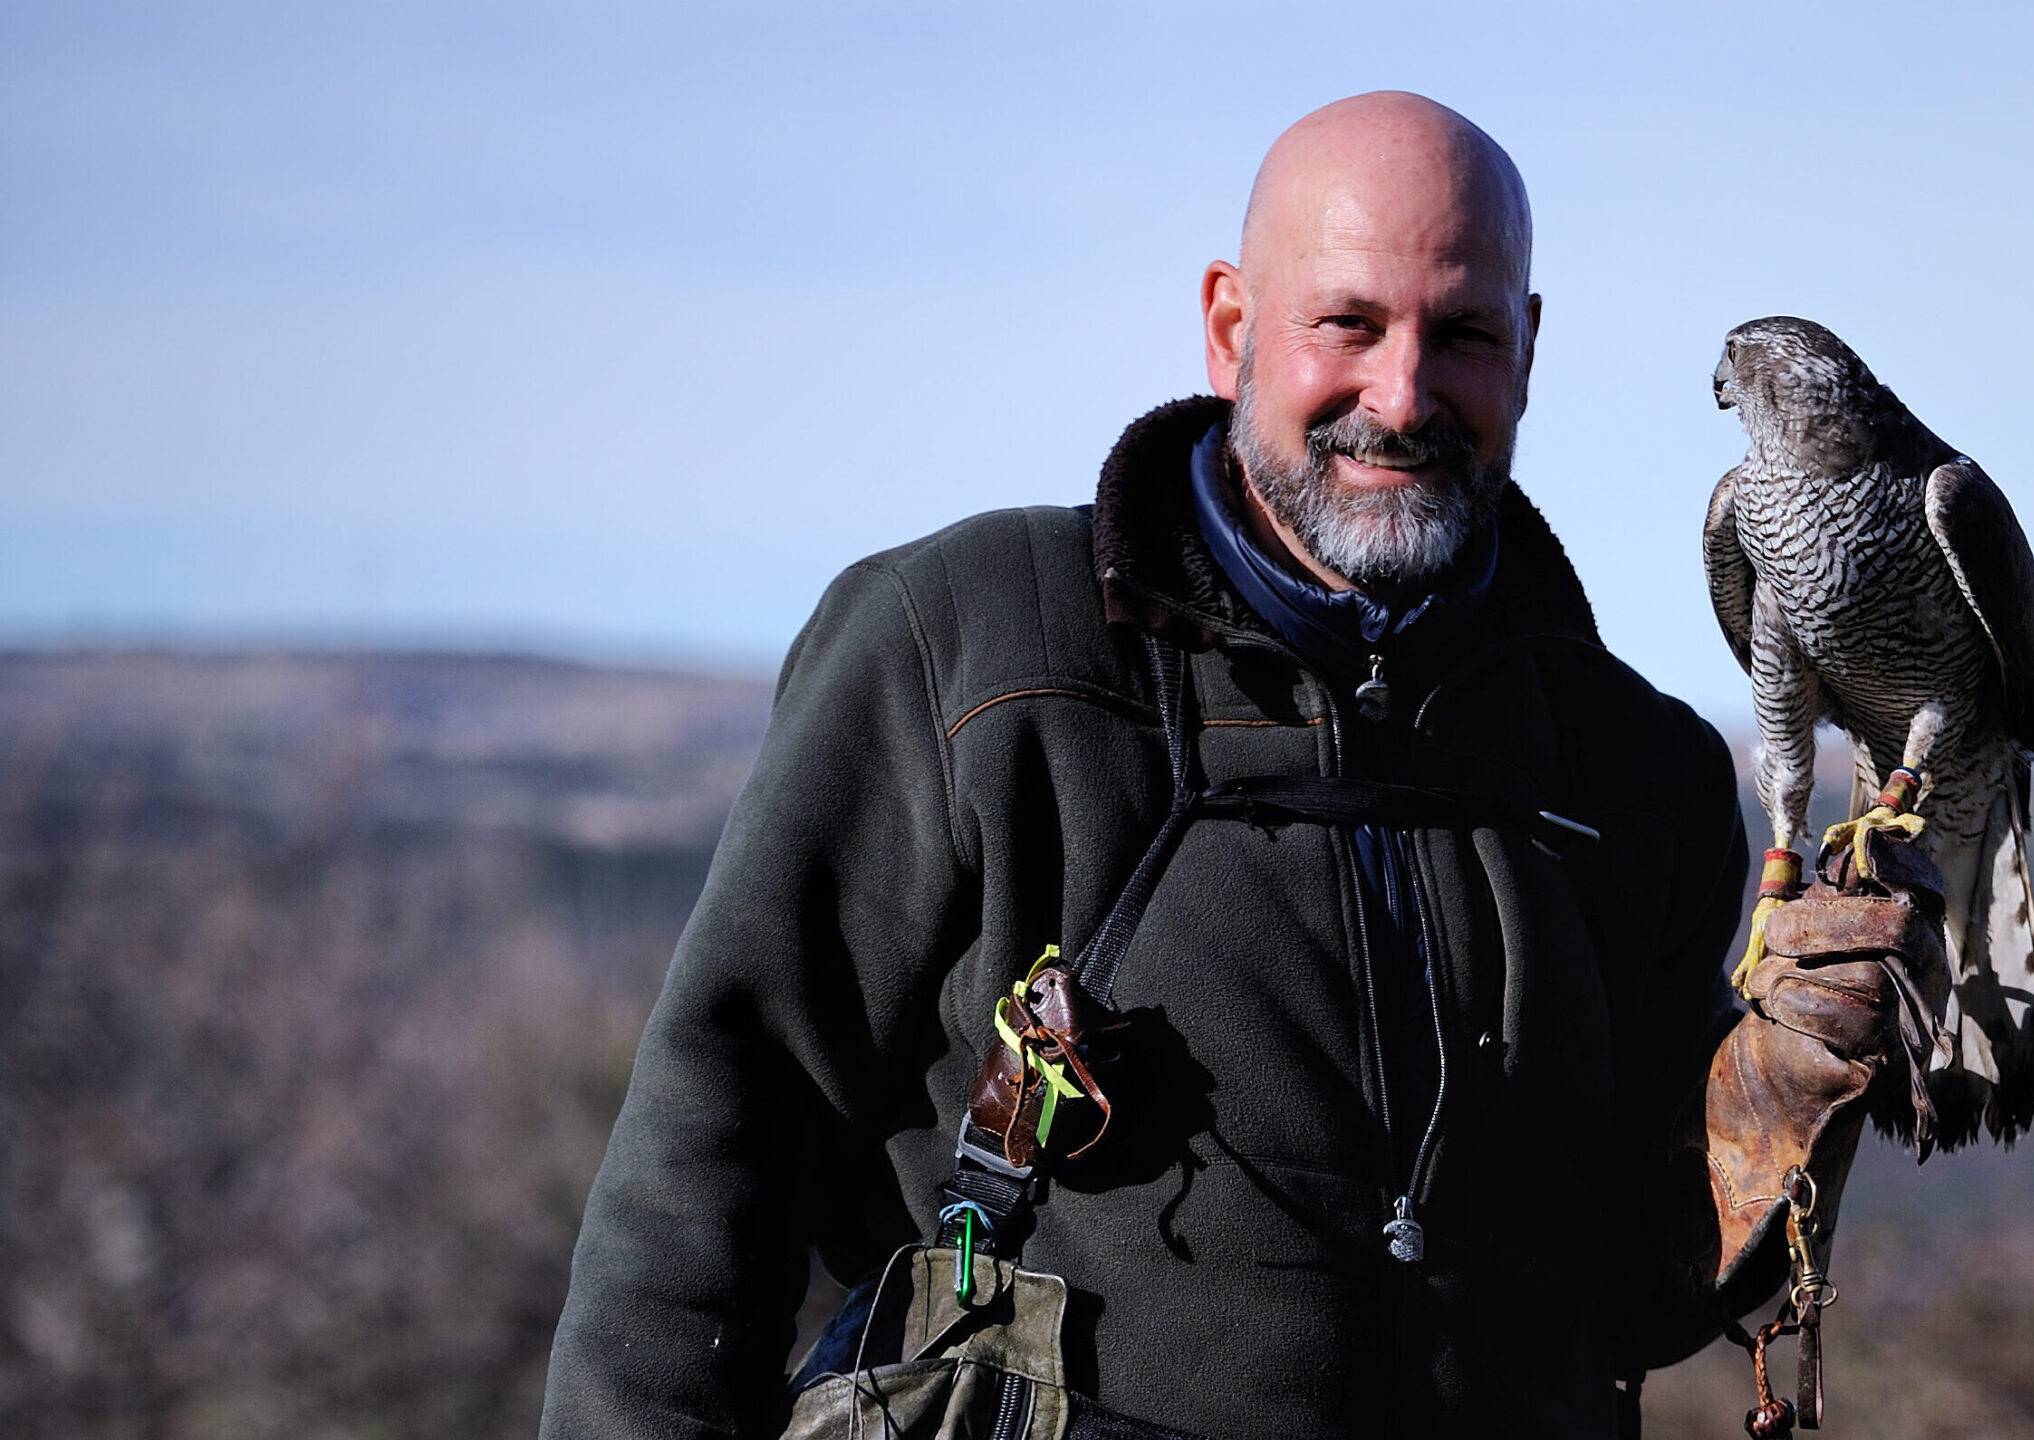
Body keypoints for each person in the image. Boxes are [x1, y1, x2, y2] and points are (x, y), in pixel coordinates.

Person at [541, 91, 1895, 1440]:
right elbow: (706, 1163)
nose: (1403, 396)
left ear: (1528, 350)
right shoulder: (967, 650)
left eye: (1464, 334)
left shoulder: (1635, 773)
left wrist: (1783, 1096)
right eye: (1347, 324)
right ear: (1232, 326)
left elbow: (1633, 1303)